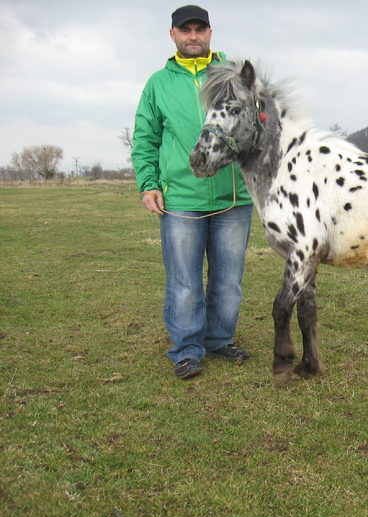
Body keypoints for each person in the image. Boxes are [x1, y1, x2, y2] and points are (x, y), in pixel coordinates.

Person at [132, 5, 254, 379]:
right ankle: (187, 348)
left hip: (233, 198)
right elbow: (145, 138)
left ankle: (219, 338)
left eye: (199, 29)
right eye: (185, 30)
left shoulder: (234, 75)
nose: (193, 36)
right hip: (181, 198)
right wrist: (149, 183)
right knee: (184, 281)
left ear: (210, 33)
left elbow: (257, 124)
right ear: (173, 35)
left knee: (228, 280)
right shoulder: (158, 83)